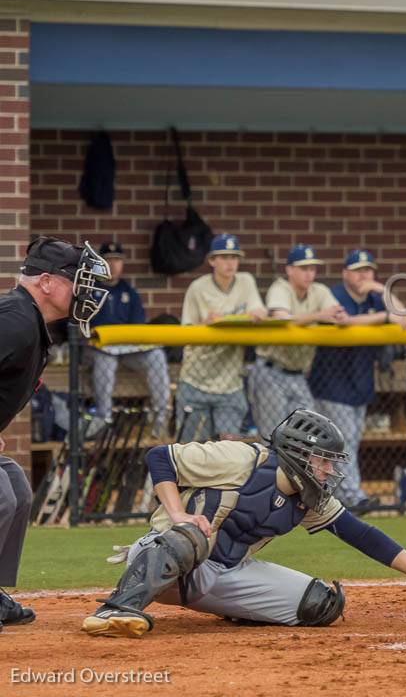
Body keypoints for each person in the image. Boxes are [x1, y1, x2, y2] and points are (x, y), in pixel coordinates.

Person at [81, 409, 406, 637]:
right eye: (323, 460)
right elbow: (160, 456)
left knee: (320, 606)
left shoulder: (308, 496)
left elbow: (361, 535)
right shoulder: (243, 458)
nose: (329, 471)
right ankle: (115, 610)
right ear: (298, 453)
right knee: (192, 535)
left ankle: (233, 608)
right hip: (162, 557)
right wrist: (177, 513)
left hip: (221, 575)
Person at [1, 236, 110, 629]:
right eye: (74, 279)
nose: (84, 289)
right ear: (46, 282)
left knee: (15, 486)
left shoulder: (29, 320)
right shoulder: (15, 318)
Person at [308, 250, 406, 512]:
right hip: (331, 380)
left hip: (360, 380)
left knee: (348, 442)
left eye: (368, 270)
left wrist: (381, 289)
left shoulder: (376, 297)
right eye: (357, 270)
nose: (363, 275)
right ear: (345, 273)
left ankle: (337, 496)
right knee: (341, 442)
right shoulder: (335, 294)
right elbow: (343, 322)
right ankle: (354, 497)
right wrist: (383, 318)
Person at [249, 244, 347, 436]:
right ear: (289, 270)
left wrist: (329, 316)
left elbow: (339, 315)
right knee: (272, 437)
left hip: (298, 374)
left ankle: (292, 467)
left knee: (304, 436)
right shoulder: (280, 288)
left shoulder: (319, 290)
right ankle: (269, 467)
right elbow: (282, 319)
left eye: (312, 269)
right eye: (303, 269)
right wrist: (318, 315)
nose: (309, 274)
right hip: (271, 371)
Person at [177, 234, 267, 443]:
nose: (230, 262)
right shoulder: (197, 287)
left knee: (228, 450)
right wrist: (206, 325)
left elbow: (259, 312)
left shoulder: (246, 281)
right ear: (211, 261)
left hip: (230, 384)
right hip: (196, 381)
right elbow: (186, 332)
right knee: (190, 450)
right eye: (224, 257)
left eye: (234, 257)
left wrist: (250, 315)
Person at [86, 242, 172, 438]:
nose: (114, 265)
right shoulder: (89, 289)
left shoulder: (129, 292)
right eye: (109, 260)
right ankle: (103, 418)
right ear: (100, 263)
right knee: (105, 360)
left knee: (157, 355)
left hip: (125, 351)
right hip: (95, 350)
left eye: (118, 260)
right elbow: (76, 328)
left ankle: (161, 417)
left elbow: (138, 329)